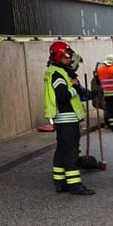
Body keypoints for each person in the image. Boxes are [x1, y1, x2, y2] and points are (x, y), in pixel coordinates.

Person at [44, 41, 95, 195]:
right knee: (71, 152)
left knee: (61, 150)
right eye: (67, 57)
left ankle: (60, 182)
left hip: (63, 119)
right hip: (67, 119)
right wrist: (73, 87)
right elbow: (62, 96)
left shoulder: (55, 71)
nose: (70, 60)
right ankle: (75, 185)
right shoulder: (58, 74)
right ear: (59, 57)